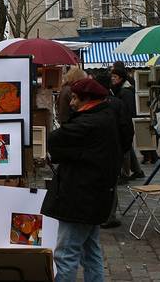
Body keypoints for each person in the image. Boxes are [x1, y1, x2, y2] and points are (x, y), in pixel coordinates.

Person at [41, 78, 120, 281]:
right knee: (90, 252)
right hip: (94, 197)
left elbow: (55, 139)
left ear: (88, 100)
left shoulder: (89, 123)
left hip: (80, 198)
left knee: (66, 255)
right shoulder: (106, 117)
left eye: (75, 98)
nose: (71, 103)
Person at [95, 72, 134, 229]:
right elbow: (127, 128)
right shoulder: (116, 103)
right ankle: (109, 216)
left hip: (97, 150)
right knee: (111, 183)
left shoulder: (94, 103)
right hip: (113, 149)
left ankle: (100, 214)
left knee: (99, 182)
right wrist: (123, 148)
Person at [111, 66, 145, 180]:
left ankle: (125, 174)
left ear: (120, 78)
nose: (113, 79)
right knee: (128, 147)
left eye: (115, 77)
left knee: (125, 147)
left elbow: (128, 109)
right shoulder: (121, 89)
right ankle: (137, 170)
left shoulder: (125, 92)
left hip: (126, 122)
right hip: (125, 122)